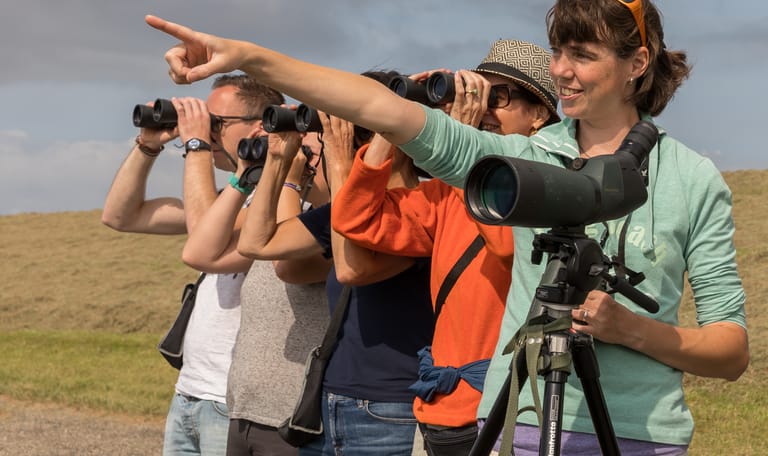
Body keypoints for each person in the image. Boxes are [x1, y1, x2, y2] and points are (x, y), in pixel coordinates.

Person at [144, 1, 750, 453]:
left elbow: (731, 350)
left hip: (642, 433)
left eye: (582, 56)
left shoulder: (691, 180)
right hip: (519, 423)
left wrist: (631, 330)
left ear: (636, 63)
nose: (562, 71)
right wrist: (250, 57)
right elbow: (384, 109)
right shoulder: (522, 159)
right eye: (557, 53)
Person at [330, 40, 558, 456]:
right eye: (477, 95)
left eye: (499, 97)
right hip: (438, 405)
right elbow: (356, 219)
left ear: (539, 115)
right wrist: (392, 120)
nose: (484, 108)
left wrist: (464, 144)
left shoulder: (551, 189)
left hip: (501, 409)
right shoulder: (444, 195)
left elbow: (507, 244)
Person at [235, 77, 436, 454]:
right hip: (331, 401)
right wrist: (279, 162)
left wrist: (343, 163)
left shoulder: (425, 208)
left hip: (394, 407)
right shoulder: (341, 210)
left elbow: (351, 268)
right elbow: (255, 242)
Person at [102, 74, 287, 455]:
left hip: (233, 402)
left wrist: (197, 145)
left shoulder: (286, 203)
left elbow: (204, 240)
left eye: (218, 123)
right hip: (190, 392)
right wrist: (148, 146)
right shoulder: (231, 199)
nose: (209, 131)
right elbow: (121, 216)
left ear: (262, 124)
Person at [180, 122, 332, 456]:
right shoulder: (279, 213)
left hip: (295, 417)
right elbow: (199, 252)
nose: (302, 161)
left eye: (309, 154)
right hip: (245, 408)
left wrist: (288, 178)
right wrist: (246, 175)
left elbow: (286, 265)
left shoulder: (332, 222)